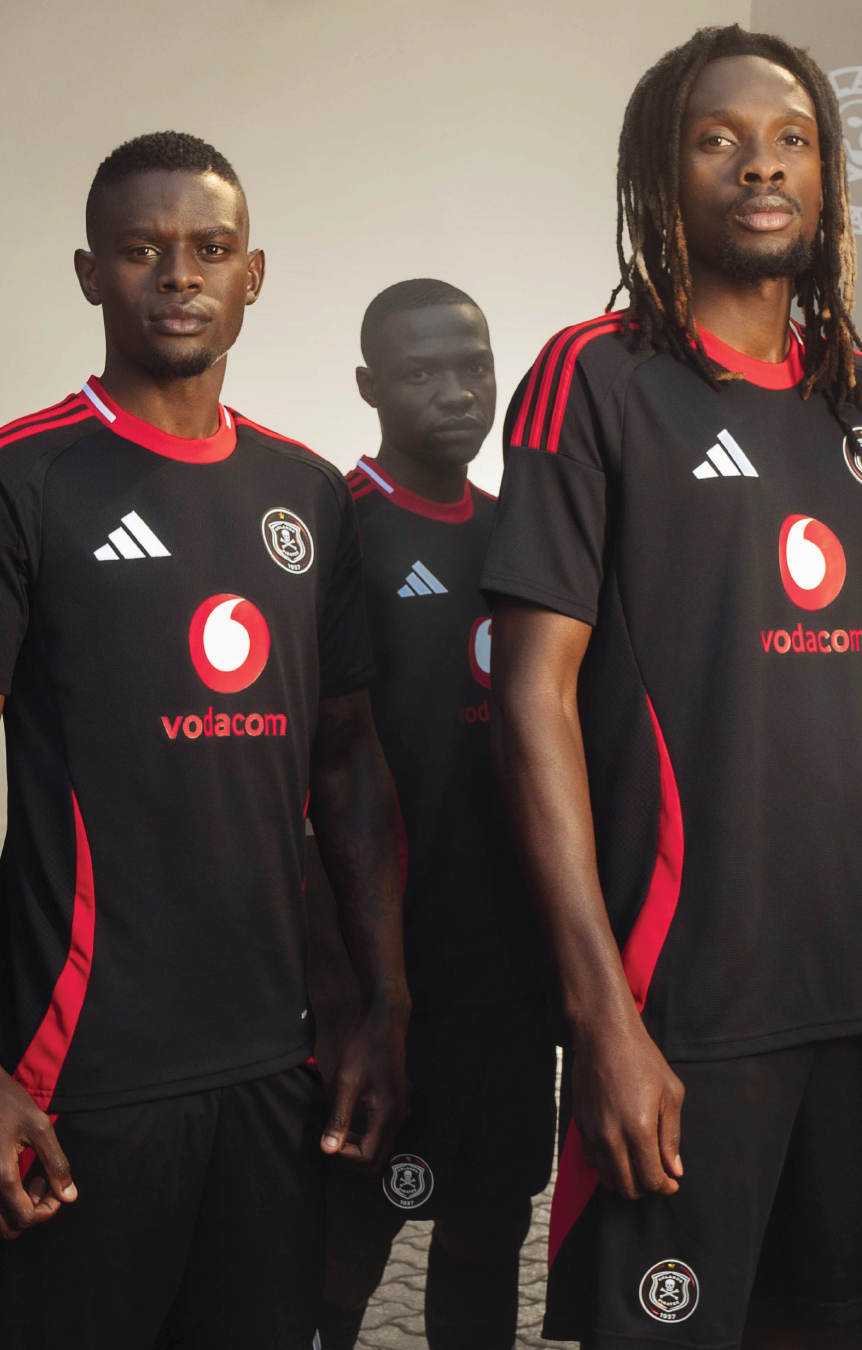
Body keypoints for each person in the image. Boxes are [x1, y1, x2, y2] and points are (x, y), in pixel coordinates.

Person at [0, 130, 409, 1350]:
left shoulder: (307, 494)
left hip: (270, 1073)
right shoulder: (12, 480)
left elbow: (347, 767)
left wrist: (383, 1005)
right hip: (78, 1075)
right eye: (142, 249)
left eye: (210, 249)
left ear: (253, 273)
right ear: (90, 273)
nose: (179, 274)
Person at [484, 23, 862, 1350]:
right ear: (661, 176)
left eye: (791, 140)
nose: (761, 166)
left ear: (826, 177)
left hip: (861, 1003)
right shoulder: (595, 379)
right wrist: (601, 1015)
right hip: (686, 1015)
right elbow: (532, 702)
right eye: (719, 140)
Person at [317, 279, 554, 1350]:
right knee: (351, 1235)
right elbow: (313, 776)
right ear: (370, 387)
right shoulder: (339, 533)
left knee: (490, 1225)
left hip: (507, 970)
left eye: (474, 367)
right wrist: (348, 987)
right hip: (388, 980)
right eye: (421, 373)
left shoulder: (517, 536)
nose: (457, 393)